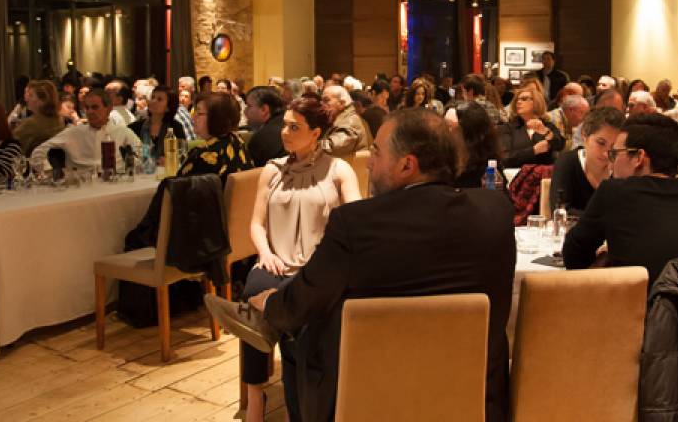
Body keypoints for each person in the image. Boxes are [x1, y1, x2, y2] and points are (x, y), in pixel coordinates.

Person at [206, 108, 516, 422]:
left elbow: (305, 297)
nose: (369, 163)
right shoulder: (496, 211)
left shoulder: (357, 223)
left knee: (297, 327)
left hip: (368, 399)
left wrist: (271, 303)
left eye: (377, 153)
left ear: (407, 165)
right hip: (472, 397)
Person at [235, 95, 361, 422]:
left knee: (294, 315)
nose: (285, 133)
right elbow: (256, 224)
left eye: (295, 127)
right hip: (276, 263)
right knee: (253, 290)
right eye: (285, 125)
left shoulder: (339, 171)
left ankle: (300, 408)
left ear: (316, 133)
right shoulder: (272, 170)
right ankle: (255, 394)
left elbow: (356, 223)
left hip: (316, 272)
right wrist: (265, 253)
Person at [562, 114, 678, 285]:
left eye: (615, 154)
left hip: (643, 300)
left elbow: (573, 258)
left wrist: (607, 256)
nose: (611, 163)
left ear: (638, 158)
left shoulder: (614, 192)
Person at [31, 89, 141, 173]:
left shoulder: (122, 132)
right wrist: (51, 172)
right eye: (87, 108)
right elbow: (38, 153)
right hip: (80, 186)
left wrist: (130, 169)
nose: (90, 112)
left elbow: (141, 157)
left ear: (108, 108)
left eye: (95, 107)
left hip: (115, 184)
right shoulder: (73, 132)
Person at [550, 107, 625, 217]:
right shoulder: (567, 163)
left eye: (613, 147)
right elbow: (561, 211)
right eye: (601, 143)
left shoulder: (621, 167)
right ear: (584, 136)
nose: (606, 153)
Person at [177, 92, 252, 183]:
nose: (192, 118)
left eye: (199, 113)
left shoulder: (204, 155)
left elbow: (176, 187)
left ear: (217, 119)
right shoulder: (237, 140)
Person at [499, 88, 564, 167]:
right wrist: (534, 150)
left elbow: (560, 145)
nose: (519, 102)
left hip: (544, 173)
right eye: (517, 100)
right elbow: (506, 158)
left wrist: (545, 132)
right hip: (516, 172)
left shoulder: (547, 126)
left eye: (524, 99)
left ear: (536, 102)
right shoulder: (508, 128)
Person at [447, 101, 502, 189]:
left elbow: (493, 194)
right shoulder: (440, 162)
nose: (444, 131)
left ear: (469, 132)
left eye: (449, 126)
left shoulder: (490, 168)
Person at [128, 85, 185, 164]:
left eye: (159, 99)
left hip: (168, 170)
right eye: (152, 97)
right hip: (142, 170)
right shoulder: (136, 127)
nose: (153, 101)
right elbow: (127, 154)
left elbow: (182, 156)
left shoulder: (176, 127)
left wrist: (170, 160)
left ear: (168, 107)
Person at [13, 80, 66, 157]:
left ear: (43, 101)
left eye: (31, 95)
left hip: (33, 162)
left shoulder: (31, 123)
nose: (27, 99)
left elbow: (11, 146)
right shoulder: (59, 120)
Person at [320, 85, 370, 156]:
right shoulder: (340, 118)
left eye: (326, 100)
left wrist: (312, 144)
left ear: (341, 103)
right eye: (321, 101)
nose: (321, 104)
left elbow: (332, 147)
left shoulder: (350, 122)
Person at [244, 86, 287, 167]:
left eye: (249, 106)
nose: (245, 111)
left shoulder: (260, 139)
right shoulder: (289, 122)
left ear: (264, 109)